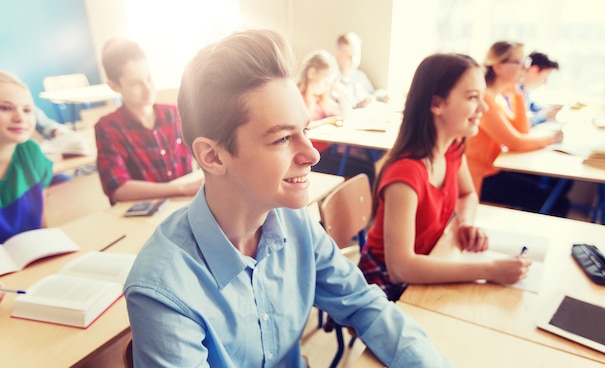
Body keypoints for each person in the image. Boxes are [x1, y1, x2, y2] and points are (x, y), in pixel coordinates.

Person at [124, 29, 455, 367]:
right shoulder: (163, 289)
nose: (312, 154)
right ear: (212, 156)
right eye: (283, 138)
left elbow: (363, 304)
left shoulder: (295, 223)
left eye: (305, 130)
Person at [357, 54, 531, 301]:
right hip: (385, 282)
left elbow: (467, 193)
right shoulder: (405, 175)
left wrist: (466, 223)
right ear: (437, 104)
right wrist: (489, 270)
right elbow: (401, 268)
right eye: (472, 97)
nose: (484, 107)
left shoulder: (452, 148)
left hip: (430, 258)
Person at [465, 41, 569, 217]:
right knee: (559, 203)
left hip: (494, 169)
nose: (525, 68)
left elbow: (522, 131)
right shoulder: (485, 100)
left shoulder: (497, 97)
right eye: (520, 62)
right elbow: (516, 142)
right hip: (480, 178)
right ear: (498, 66)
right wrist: (553, 139)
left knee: (560, 184)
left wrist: (517, 94)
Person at [95, 38, 202, 203]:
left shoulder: (174, 114)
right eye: (135, 83)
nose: (147, 88)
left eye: (149, 78)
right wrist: (181, 189)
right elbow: (118, 189)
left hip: (186, 205)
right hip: (148, 213)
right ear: (114, 86)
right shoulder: (108, 128)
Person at [297, 48, 376, 185]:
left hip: (327, 152)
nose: (327, 86)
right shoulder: (298, 98)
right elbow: (303, 128)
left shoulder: (320, 98)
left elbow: (346, 114)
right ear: (311, 72)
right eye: (326, 82)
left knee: (369, 167)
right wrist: (327, 122)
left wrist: (336, 87)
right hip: (314, 158)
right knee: (367, 171)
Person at [0, 71, 53, 244]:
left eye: (27, 110)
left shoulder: (31, 153)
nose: (20, 117)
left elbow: (44, 226)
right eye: (5, 108)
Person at [335, 32, 388, 109]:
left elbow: (375, 93)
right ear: (338, 56)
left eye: (356, 55)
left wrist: (372, 97)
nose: (353, 60)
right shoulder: (334, 80)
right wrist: (357, 105)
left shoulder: (360, 76)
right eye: (349, 56)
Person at [520, 51, 562, 126]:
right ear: (534, 70)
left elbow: (531, 105)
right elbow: (520, 124)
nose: (545, 82)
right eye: (545, 77)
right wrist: (544, 115)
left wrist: (551, 109)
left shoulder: (524, 90)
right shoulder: (512, 90)